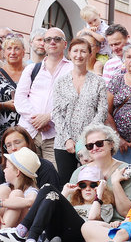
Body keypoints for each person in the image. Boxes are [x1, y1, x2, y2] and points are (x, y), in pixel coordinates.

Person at [13, 27, 73, 162]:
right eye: (48, 39)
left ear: (65, 44)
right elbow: (20, 99)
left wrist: (49, 117)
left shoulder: (72, 69)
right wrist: (36, 120)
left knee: (54, 173)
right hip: (28, 132)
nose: (52, 42)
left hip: (56, 134)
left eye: (57, 39)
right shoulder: (32, 69)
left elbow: (74, 101)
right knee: (26, 172)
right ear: (44, 44)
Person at [51, 38, 108, 180]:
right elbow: (56, 113)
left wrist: (85, 139)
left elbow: (102, 111)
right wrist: (67, 139)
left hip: (91, 144)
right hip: (64, 143)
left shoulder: (98, 82)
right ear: (69, 54)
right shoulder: (60, 82)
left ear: (90, 54)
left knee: (91, 181)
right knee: (66, 184)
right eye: (75, 51)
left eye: (83, 51)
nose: (79, 55)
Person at [105, 42, 131, 172]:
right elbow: (107, 111)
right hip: (120, 143)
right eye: (128, 57)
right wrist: (117, 138)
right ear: (123, 60)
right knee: (120, 175)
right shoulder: (117, 80)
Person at [0, 147, 39, 229]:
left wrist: (2, 203)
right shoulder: (6, 187)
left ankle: (3, 233)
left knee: (17, 194)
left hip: (20, 230)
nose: (4, 170)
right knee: (3, 189)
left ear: (17, 172)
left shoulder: (31, 191)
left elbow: (30, 202)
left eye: (6, 167)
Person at [0, 36, 27, 133]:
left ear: (23, 52)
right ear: (4, 53)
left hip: (27, 130)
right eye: (9, 48)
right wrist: (4, 105)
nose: (13, 52)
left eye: (17, 48)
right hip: (3, 131)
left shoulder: (31, 73)